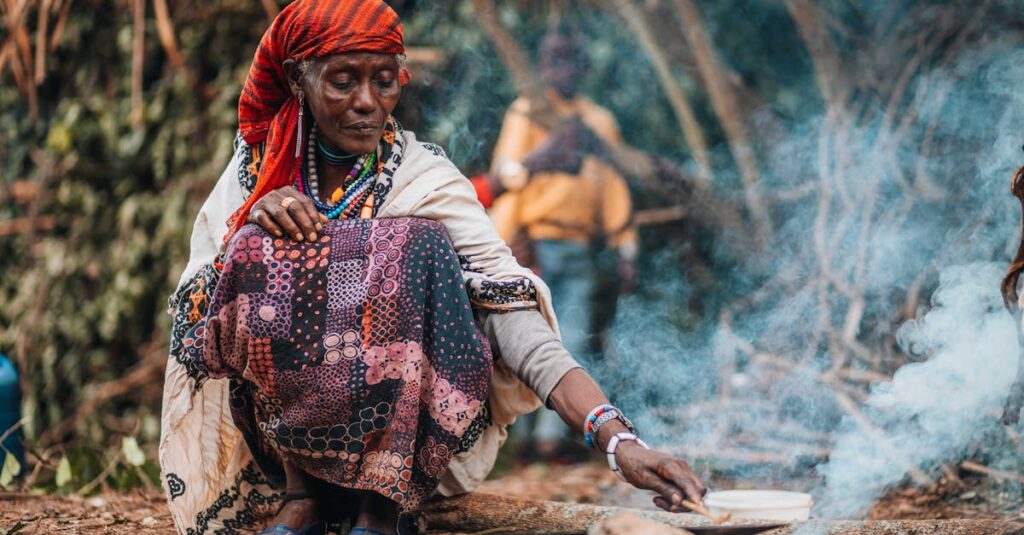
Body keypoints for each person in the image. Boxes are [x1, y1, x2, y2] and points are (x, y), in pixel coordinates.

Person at [160, 3, 704, 534]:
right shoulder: (258, 169)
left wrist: (618, 441)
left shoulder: (424, 180)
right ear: (299, 80)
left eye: (384, 81)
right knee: (254, 246)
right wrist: (255, 222)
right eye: (343, 80)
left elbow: (512, 313)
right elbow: (200, 319)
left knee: (412, 245)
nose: (368, 102)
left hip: (409, 450)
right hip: (284, 444)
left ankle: (381, 506)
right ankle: (302, 495)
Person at [473, 25, 638, 458]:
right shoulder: (529, 111)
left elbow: (614, 186)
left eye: (569, 59)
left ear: (584, 66)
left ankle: (548, 439)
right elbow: (508, 176)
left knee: (573, 338)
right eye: (552, 59)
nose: (560, 68)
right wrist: (502, 243)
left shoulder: (598, 122)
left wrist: (626, 247)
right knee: (524, 341)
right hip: (530, 247)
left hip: (577, 247)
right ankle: (522, 441)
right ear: (541, 66)